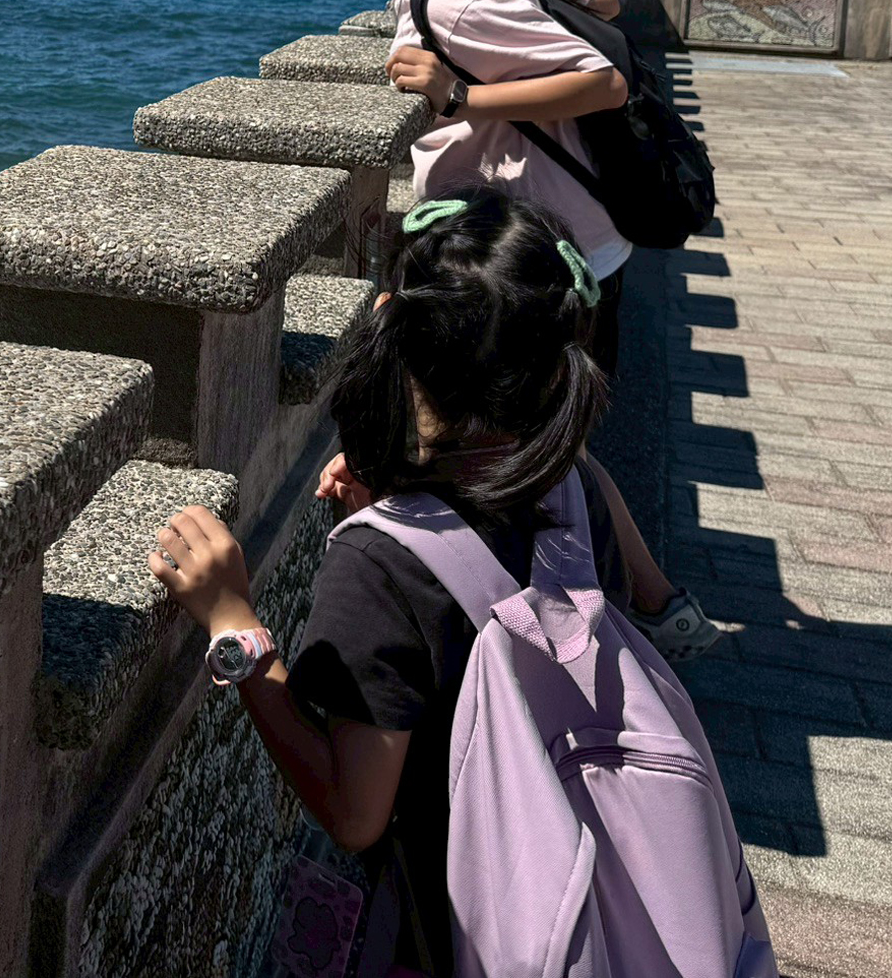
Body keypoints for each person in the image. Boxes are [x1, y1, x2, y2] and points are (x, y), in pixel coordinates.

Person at [149, 190, 707, 976]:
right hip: (605, 883)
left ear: (390, 322)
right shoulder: (579, 492)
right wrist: (401, 498)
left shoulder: (380, 568)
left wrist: (232, 625)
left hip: (471, 936)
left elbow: (355, 813)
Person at [266, 0, 716, 662]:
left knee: (539, 451)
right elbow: (604, 2)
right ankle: (647, 604)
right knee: (551, 444)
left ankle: (589, 622)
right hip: (548, 252)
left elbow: (604, 80)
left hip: (540, 264)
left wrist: (463, 94)